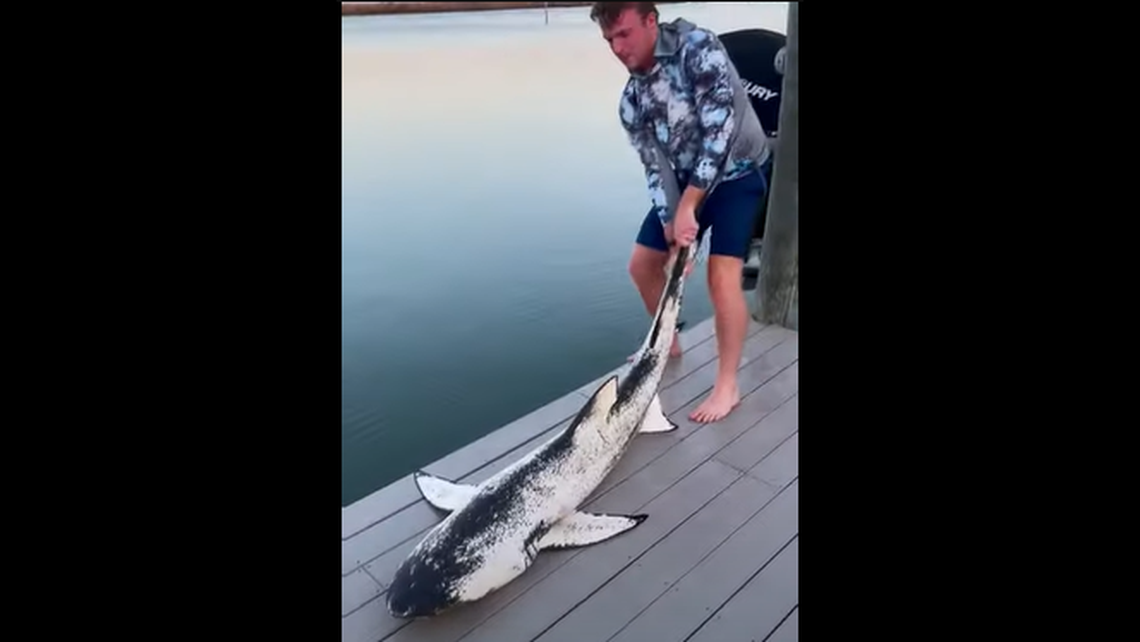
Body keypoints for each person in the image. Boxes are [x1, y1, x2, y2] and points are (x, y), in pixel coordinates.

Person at [590, 2, 773, 424]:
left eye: (625, 34)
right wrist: (673, 224)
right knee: (642, 265)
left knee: (721, 275)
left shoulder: (699, 49)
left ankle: (727, 386)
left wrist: (691, 206)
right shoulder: (631, 100)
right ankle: (668, 338)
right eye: (609, 40)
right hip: (688, 178)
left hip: (739, 173)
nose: (617, 48)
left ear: (650, 21)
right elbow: (655, 168)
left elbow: (720, 136)